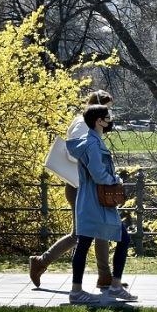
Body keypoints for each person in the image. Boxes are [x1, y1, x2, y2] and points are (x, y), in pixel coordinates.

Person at [29, 90, 125, 289]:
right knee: (82, 234)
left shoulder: (85, 124)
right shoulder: (82, 125)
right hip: (82, 188)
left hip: (88, 187)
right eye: (107, 109)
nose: (109, 114)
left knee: (95, 232)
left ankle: (103, 275)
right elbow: (78, 154)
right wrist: (100, 170)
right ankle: (42, 262)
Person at [66, 104, 137, 304]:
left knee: (85, 244)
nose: (110, 120)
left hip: (90, 201)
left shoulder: (89, 141)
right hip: (96, 202)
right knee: (122, 239)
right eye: (108, 116)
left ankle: (80, 290)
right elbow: (99, 174)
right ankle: (108, 286)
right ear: (99, 121)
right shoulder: (93, 144)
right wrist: (115, 180)